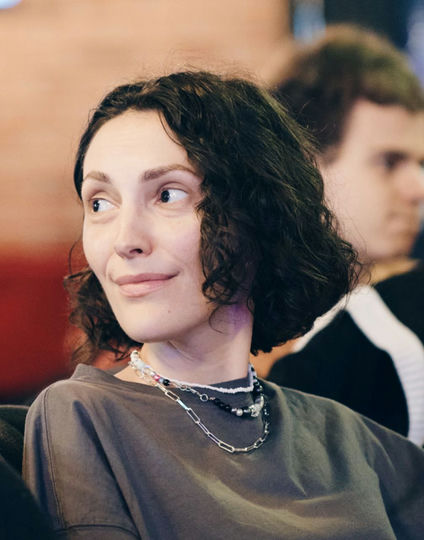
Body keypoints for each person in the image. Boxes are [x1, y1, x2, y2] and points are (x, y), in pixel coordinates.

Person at [22, 71, 424, 539]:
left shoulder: (344, 436)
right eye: (99, 203)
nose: (124, 239)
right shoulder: (83, 416)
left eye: (167, 195)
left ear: (260, 215)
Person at [263, 25, 424, 445]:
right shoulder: (230, 336)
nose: (417, 189)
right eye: (389, 162)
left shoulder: (404, 313)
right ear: (305, 165)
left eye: (421, 164)